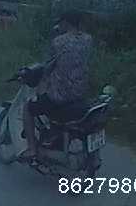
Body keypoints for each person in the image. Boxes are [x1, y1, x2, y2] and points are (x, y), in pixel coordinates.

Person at [24, 9, 93, 161]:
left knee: (28, 108)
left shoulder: (59, 42)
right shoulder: (88, 39)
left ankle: (32, 149)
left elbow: (47, 66)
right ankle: (53, 136)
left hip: (61, 95)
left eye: (61, 23)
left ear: (65, 23)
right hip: (80, 93)